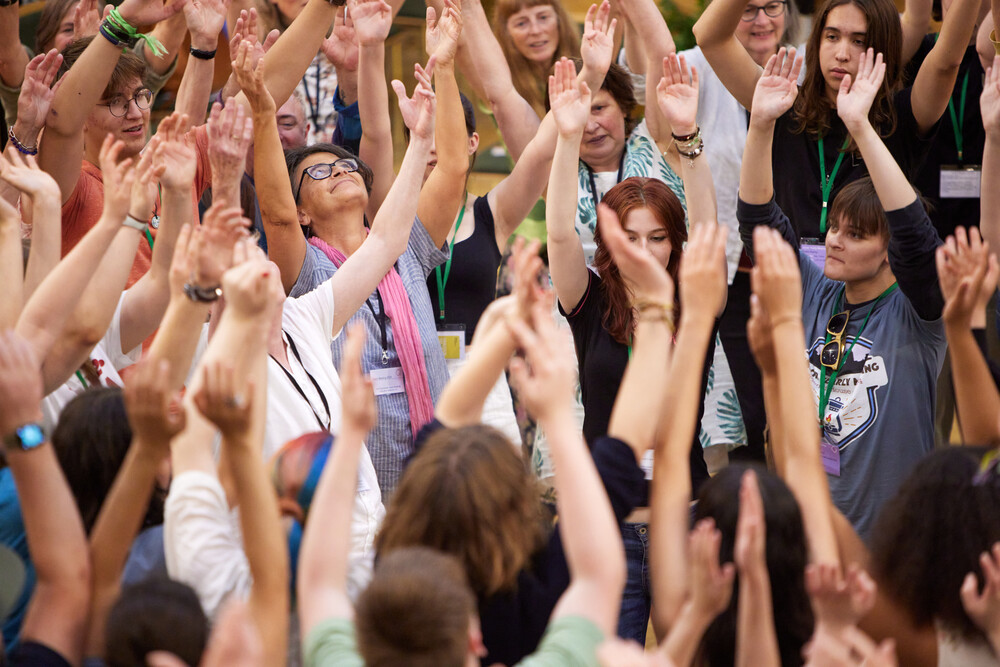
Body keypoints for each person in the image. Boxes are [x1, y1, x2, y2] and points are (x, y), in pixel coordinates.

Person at [296, 290, 627, 667]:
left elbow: (319, 582)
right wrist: (556, 412)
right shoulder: (533, 602)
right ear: (474, 639)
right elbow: (598, 575)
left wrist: (352, 434)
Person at [737, 47, 945, 539]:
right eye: (835, 228)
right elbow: (758, 223)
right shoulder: (814, 289)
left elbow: (915, 238)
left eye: (856, 235)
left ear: (887, 250)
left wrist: (861, 128)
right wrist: (761, 125)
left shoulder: (920, 312)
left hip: (891, 545)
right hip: (811, 535)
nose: (833, 240)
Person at [695, 0, 980, 241]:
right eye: (832, 37)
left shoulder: (901, 116)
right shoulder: (783, 103)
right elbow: (709, 36)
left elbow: (946, 62)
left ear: (883, 47)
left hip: (877, 299)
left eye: (859, 41)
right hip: (794, 290)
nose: (842, 54)